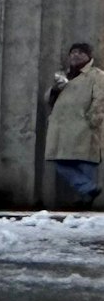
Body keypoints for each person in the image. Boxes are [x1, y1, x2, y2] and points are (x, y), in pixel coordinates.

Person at [47, 42, 104, 209]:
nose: (75, 55)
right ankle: (88, 189)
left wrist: (93, 121)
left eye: (80, 52)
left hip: (86, 128)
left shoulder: (96, 75)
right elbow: (49, 100)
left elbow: (101, 99)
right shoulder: (64, 76)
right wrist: (54, 90)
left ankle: (86, 198)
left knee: (85, 163)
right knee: (61, 162)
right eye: (73, 52)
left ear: (88, 56)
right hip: (64, 130)